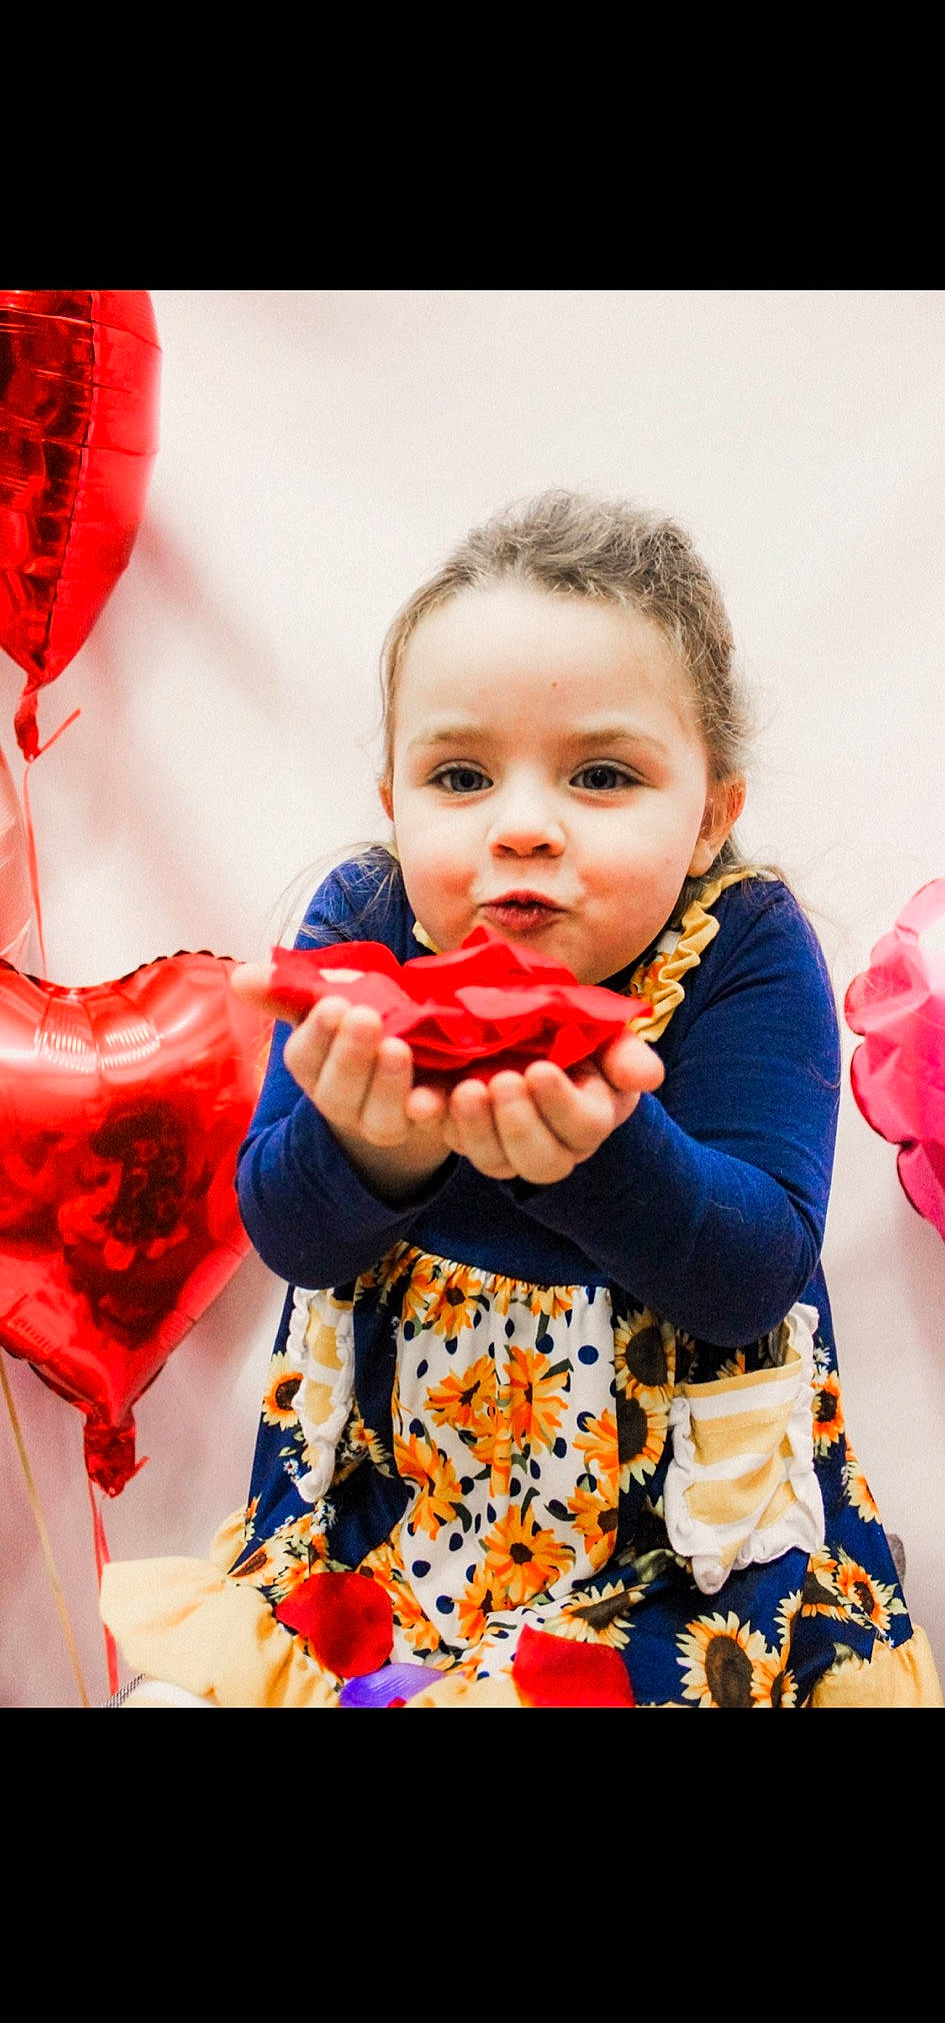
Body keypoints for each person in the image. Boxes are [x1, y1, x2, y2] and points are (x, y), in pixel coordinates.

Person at [100, 487, 943, 1708]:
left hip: (676, 1576)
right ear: (391, 800)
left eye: (600, 774)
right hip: (386, 1538)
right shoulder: (365, 928)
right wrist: (370, 1150)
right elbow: (288, 1233)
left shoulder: (745, 949)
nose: (525, 825)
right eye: (460, 775)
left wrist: (601, 1153)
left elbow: (751, 1272)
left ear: (713, 812)